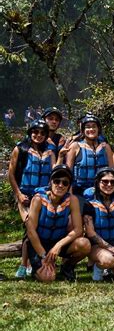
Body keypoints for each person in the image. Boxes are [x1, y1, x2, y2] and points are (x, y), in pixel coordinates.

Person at [8, 119, 57, 278]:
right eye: (35, 132)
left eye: (42, 133)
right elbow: (11, 174)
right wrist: (19, 195)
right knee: (29, 226)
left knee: (38, 228)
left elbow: (54, 174)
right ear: (30, 133)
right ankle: (24, 265)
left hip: (43, 196)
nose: (38, 135)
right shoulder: (20, 149)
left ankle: (31, 263)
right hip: (25, 196)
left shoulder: (50, 151)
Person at [26, 165, 91, 282]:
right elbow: (31, 231)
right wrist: (44, 255)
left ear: (69, 186)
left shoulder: (72, 200)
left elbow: (78, 230)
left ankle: (67, 267)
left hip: (58, 241)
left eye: (65, 183)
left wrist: (58, 245)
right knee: (48, 278)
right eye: (57, 181)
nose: (60, 185)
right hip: (39, 243)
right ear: (51, 182)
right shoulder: (38, 199)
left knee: (85, 244)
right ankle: (36, 265)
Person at [83, 168, 114, 282]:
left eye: (112, 181)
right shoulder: (89, 204)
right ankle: (98, 267)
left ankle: (111, 269)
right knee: (109, 259)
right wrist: (109, 248)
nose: (109, 184)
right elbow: (90, 233)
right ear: (98, 182)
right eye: (105, 181)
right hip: (97, 247)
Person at [66, 114, 113, 201]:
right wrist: (69, 196)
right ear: (83, 130)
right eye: (87, 127)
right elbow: (67, 174)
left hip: (102, 192)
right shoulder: (75, 146)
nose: (91, 129)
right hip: (79, 193)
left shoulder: (106, 147)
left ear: (98, 129)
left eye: (94, 127)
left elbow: (111, 172)